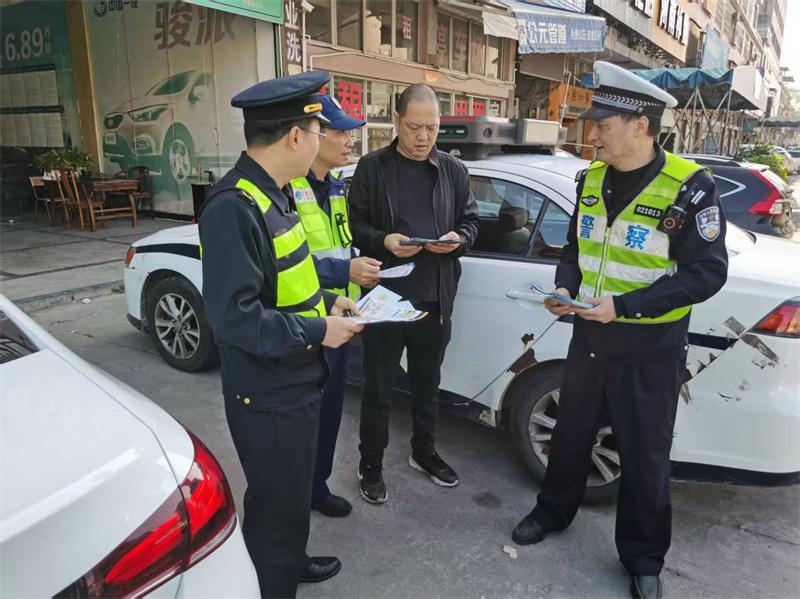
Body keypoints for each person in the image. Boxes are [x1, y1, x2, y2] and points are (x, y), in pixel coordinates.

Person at [511, 61, 729, 599]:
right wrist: (564, 289)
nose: (594, 135)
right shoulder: (590, 180)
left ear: (640, 126)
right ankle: (552, 512)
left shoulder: (689, 188)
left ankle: (643, 558)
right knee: (570, 434)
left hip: (650, 348)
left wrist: (626, 306)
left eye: (603, 125)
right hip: (589, 337)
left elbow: (706, 273)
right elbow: (575, 251)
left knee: (644, 455)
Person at [198, 70, 363, 598]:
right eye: (317, 131)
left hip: (295, 379)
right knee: (275, 504)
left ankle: (290, 562)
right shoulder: (234, 206)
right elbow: (235, 319)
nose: (321, 141)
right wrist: (319, 329)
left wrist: (327, 301)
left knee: (290, 499)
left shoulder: (277, 193)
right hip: (267, 393)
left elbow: (288, 278)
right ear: (295, 136)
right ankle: (273, 579)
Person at [348, 83, 479, 504]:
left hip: (433, 298)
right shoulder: (372, 168)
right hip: (385, 298)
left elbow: (472, 223)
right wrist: (384, 241)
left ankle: (424, 453)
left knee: (428, 385)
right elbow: (354, 226)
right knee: (379, 388)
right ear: (397, 121)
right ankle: (370, 463)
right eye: (414, 127)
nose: (423, 137)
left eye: (432, 128)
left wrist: (458, 240)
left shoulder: (453, 170)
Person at [287, 95, 380, 518]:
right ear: (312, 135)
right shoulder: (288, 190)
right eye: (341, 132)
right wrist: (345, 270)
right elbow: (287, 265)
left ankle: (316, 487)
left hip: (340, 319)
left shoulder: (337, 185)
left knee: (329, 414)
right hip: (306, 324)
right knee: (301, 422)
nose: (349, 141)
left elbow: (341, 244)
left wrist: (362, 268)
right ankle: (294, 497)